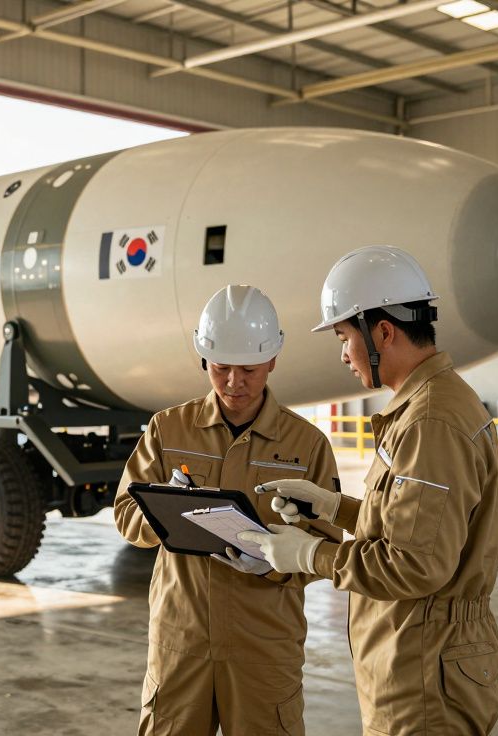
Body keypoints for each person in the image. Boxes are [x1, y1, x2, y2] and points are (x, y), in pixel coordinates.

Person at [240, 245, 498, 734]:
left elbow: (415, 564)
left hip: (423, 668)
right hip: (420, 654)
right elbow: (414, 526)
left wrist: (310, 556)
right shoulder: (427, 407)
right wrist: (333, 507)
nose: (342, 353)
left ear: (382, 330)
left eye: (344, 336)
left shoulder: (430, 422)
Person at [113, 284, 342, 736]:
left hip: (264, 646)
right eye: (221, 368)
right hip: (181, 642)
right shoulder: (168, 429)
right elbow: (125, 515)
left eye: (250, 369)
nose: (235, 383)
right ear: (204, 360)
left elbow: (328, 546)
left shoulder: (306, 445)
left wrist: (275, 565)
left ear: (273, 360)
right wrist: (164, 512)